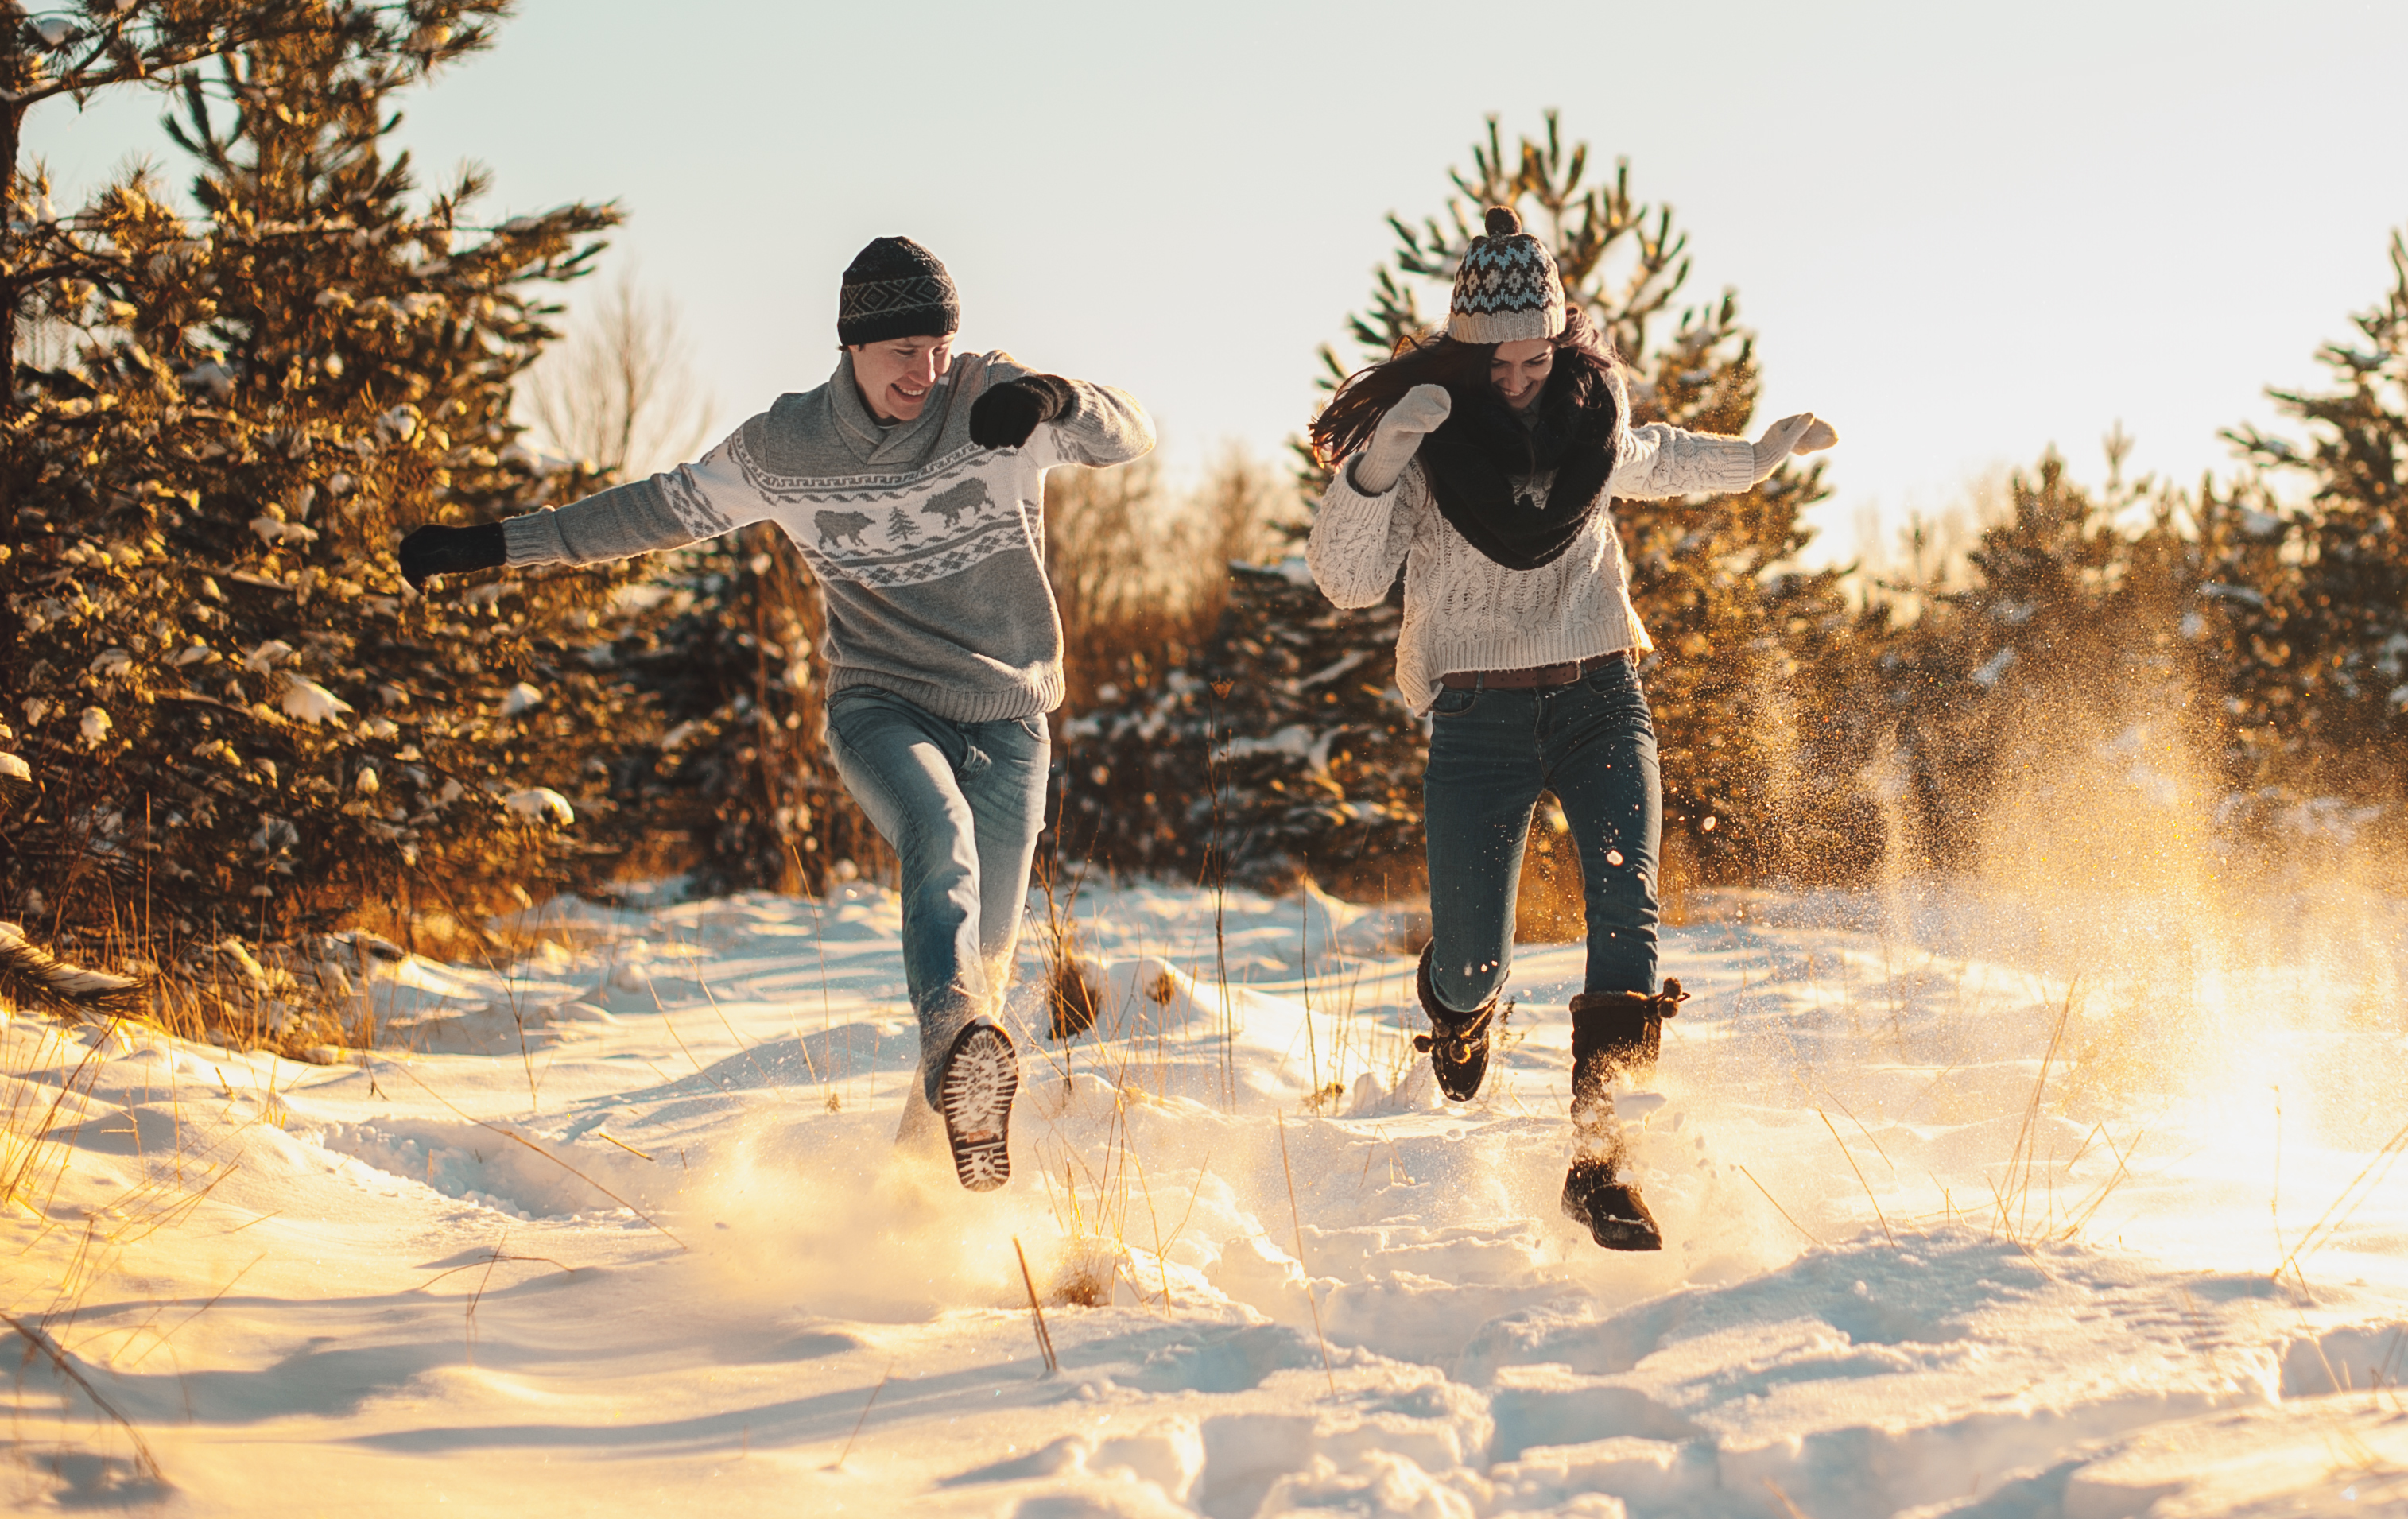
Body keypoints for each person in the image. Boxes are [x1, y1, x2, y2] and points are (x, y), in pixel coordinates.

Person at [397, 237, 1153, 1194]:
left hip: (1012, 719)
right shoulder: (786, 448)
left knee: (982, 985)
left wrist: (1058, 399)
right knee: (937, 831)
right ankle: (950, 1050)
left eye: (936, 347)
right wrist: (498, 544)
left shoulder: (990, 399)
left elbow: (1132, 432)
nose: (922, 373)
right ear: (850, 347)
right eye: (899, 354)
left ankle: (921, 1195)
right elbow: (652, 509)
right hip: (882, 702)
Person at [1306, 207, 1836, 1252]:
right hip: (1477, 718)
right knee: (1469, 962)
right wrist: (1379, 463)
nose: (1515, 379)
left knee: (1624, 909)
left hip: (1600, 694)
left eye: (1534, 355)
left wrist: (1759, 457)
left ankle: (1602, 1160)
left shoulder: (1591, 416)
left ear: (1561, 339)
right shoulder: (1426, 441)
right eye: (1493, 360)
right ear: (1463, 350)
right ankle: (1458, 1014)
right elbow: (1348, 581)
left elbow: (1656, 458)